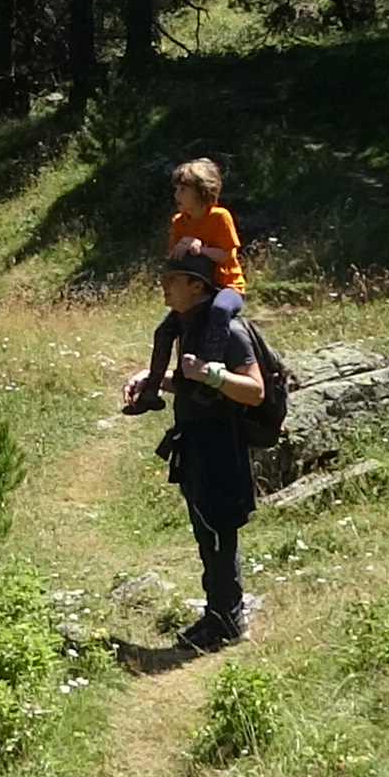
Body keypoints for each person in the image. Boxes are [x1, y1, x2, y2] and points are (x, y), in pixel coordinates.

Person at [119, 239, 265, 652]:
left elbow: (254, 391)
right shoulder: (189, 325)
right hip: (196, 442)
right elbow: (190, 377)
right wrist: (151, 381)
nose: (163, 286)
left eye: (173, 280)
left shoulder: (229, 331)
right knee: (207, 532)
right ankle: (219, 616)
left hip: (220, 445)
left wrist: (211, 376)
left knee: (218, 532)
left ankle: (225, 622)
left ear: (198, 287)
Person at [168, 157, 247, 316]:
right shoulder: (179, 222)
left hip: (228, 287)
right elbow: (173, 259)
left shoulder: (220, 217)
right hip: (197, 290)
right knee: (167, 327)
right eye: (176, 189)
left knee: (220, 310)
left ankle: (218, 342)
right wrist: (181, 246)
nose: (177, 195)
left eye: (183, 189)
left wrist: (200, 248)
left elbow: (226, 255)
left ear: (201, 192)